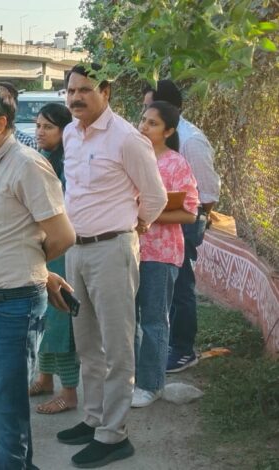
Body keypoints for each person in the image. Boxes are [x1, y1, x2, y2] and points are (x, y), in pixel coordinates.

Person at [0, 83, 75, 470]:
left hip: (14, 304)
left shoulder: (27, 165)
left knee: (4, 404)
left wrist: (34, 268)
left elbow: (62, 235)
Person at [56, 64, 166, 468]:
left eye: (85, 90)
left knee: (117, 345)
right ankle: (94, 418)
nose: (76, 98)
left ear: (105, 92)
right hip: (76, 249)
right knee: (86, 342)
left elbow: (155, 196)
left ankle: (114, 434)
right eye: (71, 91)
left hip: (112, 250)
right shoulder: (70, 133)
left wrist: (137, 225)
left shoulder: (127, 138)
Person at [144, 80, 221, 373]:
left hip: (186, 218)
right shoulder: (147, 147)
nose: (145, 119)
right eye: (145, 111)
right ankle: (166, 346)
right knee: (164, 291)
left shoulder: (191, 141)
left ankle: (183, 349)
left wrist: (196, 219)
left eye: (152, 110)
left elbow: (207, 191)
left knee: (181, 287)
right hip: (154, 227)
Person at [132, 101, 199, 407]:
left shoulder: (176, 164)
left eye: (153, 123)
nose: (144, 127)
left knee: (154, 320)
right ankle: (131, 380)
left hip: (160, 254)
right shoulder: (131, 159)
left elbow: (189, 213)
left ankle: (151, 384)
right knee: (127, 320)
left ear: (169, 131)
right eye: (143, 120)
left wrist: (150, 215)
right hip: (128, 249)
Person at [28, 102, 80, 416]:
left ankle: (69, 392)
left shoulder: (69, 165)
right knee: (43, 319)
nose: (40, 132)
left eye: (48, 127)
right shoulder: (42, 159)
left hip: (60, 252)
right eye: (38, 125)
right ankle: (44, 379)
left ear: (64, 131)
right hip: (40, 250)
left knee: (60, 321)